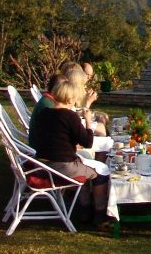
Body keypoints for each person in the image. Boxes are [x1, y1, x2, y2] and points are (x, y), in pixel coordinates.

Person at [29, 79, 113, 228]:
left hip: (42, 164)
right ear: (70, 98)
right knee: (101, 171)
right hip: (63, 167)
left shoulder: (44, 113)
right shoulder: (69, 116)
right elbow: (88, 142)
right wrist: (87, 122)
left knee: (86, 167)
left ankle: (84, 209)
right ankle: (99, 214)